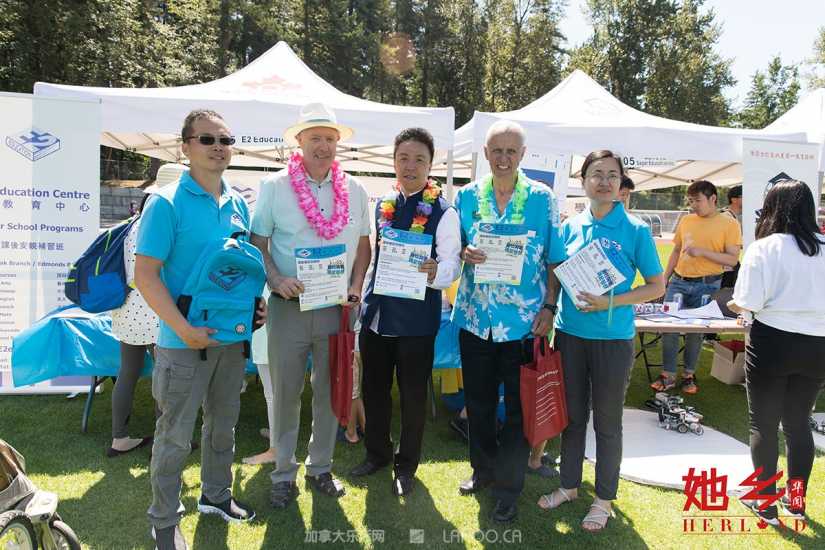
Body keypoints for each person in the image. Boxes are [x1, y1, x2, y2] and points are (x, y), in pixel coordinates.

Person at [136, 109, 265, 550]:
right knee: (174, 437)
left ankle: (216, 496)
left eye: (225, 140)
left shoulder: (238, 203)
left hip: (230, 342)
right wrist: (184, 328)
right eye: (207, 139)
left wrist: (256, 306)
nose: (218, 147)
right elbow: (146, 276)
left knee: (223, 426)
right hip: (181, 344)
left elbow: (238, 269)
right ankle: (164, 522)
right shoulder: (166, 203)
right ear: (186, 146)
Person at [251, 103, 371, 509]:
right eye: (315, 138)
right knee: (286, 393)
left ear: (338, 143)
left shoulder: (355, 189)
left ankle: (320, 468)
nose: (323, 146)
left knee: (331, 391)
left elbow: (363, 245)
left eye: (330, 139)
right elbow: (258, 243)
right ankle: (283, 473)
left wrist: (356, 285)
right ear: (299, 142)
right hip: (289, 306)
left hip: (337, 309)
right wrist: (275, 279)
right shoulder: (274, 186)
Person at [537, 149, 665, 531]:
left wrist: (611, 301)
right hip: (570, 337)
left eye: (612, 174)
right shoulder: (569, 227)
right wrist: (550, 307)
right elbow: (556, 272)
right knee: (573, 418)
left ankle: (604, 499)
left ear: (621, 182)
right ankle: (569, 485)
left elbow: (656, 286)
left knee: (607, 422)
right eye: (596, 174)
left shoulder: (636, 230)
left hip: (613, 340)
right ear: (583, 181)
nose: (604, 181)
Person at [452, 120, 565, 523]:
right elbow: (453, 246)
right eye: (496, 150)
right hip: (475, 319)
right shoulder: (466, 196)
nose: (503, 158)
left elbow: (554, 258)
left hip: (523, 323)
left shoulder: (542, 198)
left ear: (522, 155)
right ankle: (482, 470)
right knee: (478, 404)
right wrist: (463, 252)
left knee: (519, 410)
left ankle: (508, 488)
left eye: (510, 151)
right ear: (485, 153)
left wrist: (549, 306)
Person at [350, 127, 461, 496]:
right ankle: (377, 454)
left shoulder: (443, 211)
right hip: (377, 316)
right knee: (375, 390)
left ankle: (406, 466)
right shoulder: (383, 204)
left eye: (419, 160)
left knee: (413, 397)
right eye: (403, 158)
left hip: (416, 322)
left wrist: (435, 272)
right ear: (394, 161)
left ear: (431, 165)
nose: (410, 166)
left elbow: (452, 265)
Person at [728, 180, 825, 524]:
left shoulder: (764, 247)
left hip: (773, 341)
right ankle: (795, 502)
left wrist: (736, 305)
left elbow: (747, 302)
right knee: (798, 424)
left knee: (764, 424)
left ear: (772, 208)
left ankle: (766, 501)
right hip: (818, 345)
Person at [651, 180, 741, 394]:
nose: (693, 205)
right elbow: (676, 250)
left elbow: (732, 259)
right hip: (678, 281)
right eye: (690, 201)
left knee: (697, 331)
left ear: (713, 198)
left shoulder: (729, 224)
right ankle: (668, 374)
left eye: (697, 200)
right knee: (668, 328)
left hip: (707, 285)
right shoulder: (687, 220)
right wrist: (665, 278)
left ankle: (688, 375)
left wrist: (702, 252)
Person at [108, 196, 160, 458]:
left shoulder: (128, 227)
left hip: (126, 307)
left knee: (127, 373)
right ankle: (164, 441)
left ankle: (119, 437)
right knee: (165, 375)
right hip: (155, 309)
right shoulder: (157, 228)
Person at [720, 185, 743, 289]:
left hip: (729, 265)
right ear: (734, 199)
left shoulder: (733, 217)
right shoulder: (726, 217)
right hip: (725, 268)